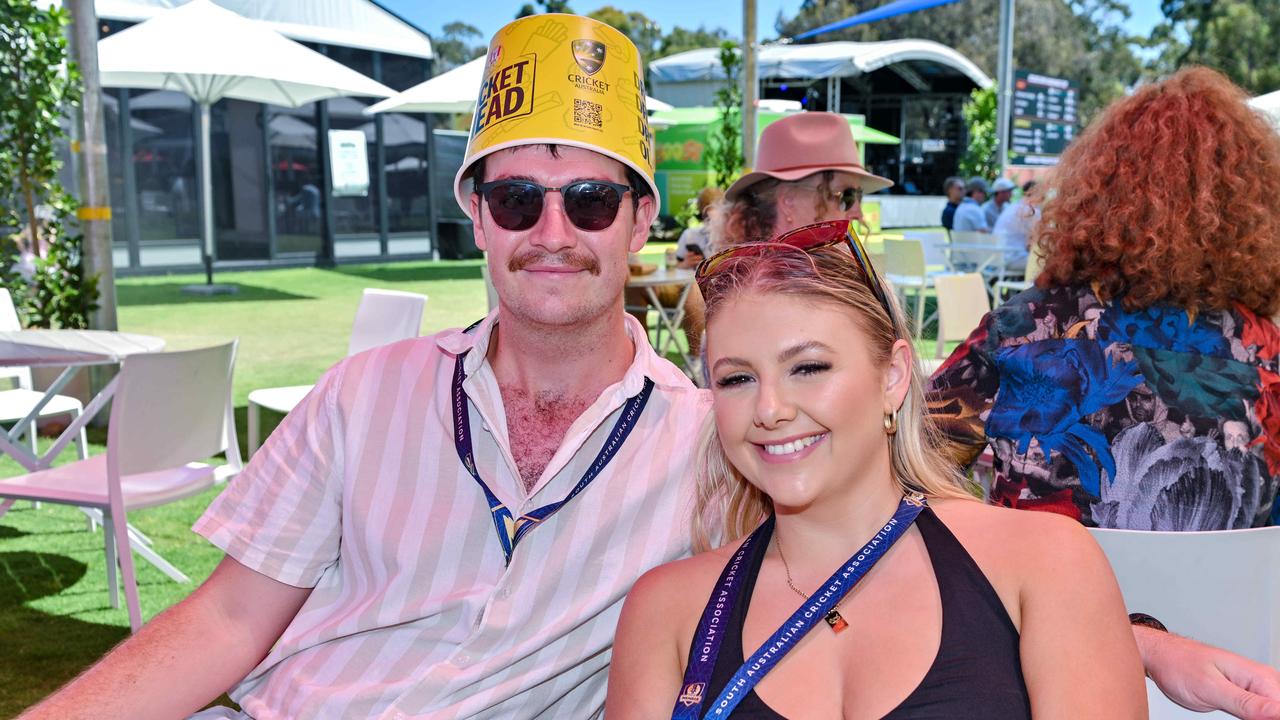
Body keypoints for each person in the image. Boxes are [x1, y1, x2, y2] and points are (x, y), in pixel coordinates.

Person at [19, 15, 709, 719]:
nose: (552, 234)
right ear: (479, 217)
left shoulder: (709, 446)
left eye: (591, 202)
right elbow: (229, 618)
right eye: (517, 200)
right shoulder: (363, 393)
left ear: (641, 218)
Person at [607, 220, 1147, 718]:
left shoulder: (1044, 563)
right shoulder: (666, 611)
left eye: (809, 367)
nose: (770, 409)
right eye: (737, 379)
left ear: (892, 376)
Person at [927, 66, 1280, 715]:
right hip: (1238, 687)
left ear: (1095, 194)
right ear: (1252, 212)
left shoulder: (1019, 330)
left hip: (1030, 676)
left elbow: (902, 467)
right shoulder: (1270, 361)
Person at [715, 111, 893, 248]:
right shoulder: (771, 288)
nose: (858, 213)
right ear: (788, 202)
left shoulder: (752, 278)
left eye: (858, 196)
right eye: (846, 196)